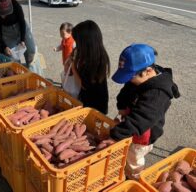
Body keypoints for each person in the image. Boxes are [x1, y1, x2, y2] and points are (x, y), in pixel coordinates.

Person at [103, 43, 180, 180]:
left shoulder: (157, 94)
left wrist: (116, 135)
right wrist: (121, 106)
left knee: (134, 159)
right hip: (131, 122)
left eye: (131, 77)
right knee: (126, 151)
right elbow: (126, 90)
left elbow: (141, 119)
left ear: (148, 71)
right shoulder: (139, 77)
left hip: (143, 134)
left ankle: (134, 178)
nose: (129, 81)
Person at [70, 20, 110, 114]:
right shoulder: (99, 54)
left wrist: (73, 67)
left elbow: (81, 84)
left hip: (92, 105)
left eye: (77, 42)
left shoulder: (90, 64)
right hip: (100, 101)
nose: (76, 44)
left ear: (85, 43)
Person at [0, 0, 36, 67]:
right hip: (7, 33)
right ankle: (18, 75)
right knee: (12, 58)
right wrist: (4, 46)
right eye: (2, 13)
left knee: (31, 50)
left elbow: (22, 21)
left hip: (21, 28)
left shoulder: (15, 3)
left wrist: (22, 39)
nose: (5, 15)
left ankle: (30, 70)